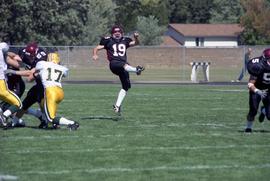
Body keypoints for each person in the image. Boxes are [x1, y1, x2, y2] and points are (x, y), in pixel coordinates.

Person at [92, 25, 145, 115]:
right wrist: (95, 54)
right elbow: (97, 48)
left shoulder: (125, 40)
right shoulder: (108, 40)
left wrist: (136, 38)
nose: (117, 34)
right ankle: (136, 70)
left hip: (123, 66)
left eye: (118, 32)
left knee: (126, 86)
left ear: (121, 33)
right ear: (112, 33)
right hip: (114, 64)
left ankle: (117, 106)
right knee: (124, 65)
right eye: (115, 32)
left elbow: (136, 43)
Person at [31, 52, 79, 130]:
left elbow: (35, 73)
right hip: (60, 92)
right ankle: (54, 124)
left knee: (50, 118)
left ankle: (72, 123)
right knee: (44, 104)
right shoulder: (62, 68)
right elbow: (64, 74)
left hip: (50, 91)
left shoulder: (41, 63)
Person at [245, 48, 270, 132]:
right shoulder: (258, 66)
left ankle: (263, 110)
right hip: (257, 89)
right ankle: (248, 128)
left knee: (269, 116)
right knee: (253, 110)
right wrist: (258, 91)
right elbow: (250, 84)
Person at [0, 42, 22, 129]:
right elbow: (8, 52)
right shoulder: (2, 46)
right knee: (18, 103)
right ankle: (4, 116)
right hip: (1, 82)